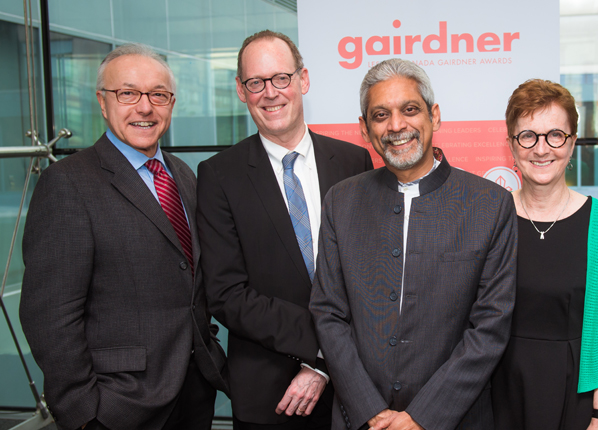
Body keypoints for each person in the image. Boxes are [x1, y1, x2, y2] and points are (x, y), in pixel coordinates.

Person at [19, 43, 228, 430]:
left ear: (171, 103)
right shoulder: (67, 184)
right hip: (118, 405)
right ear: (102, 102)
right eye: (128, 93)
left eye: (158, 95)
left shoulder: (182, 174)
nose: (145, 107)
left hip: (195, 389)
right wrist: (85, 413)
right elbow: (49, 315)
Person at [309, 58, 517, 430]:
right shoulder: (341, 201)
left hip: (456, 418)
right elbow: (328, 313)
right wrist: (369, 410)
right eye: (380, 115)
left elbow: (490, 326)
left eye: (409, 110)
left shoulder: (490, 204)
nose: (396, 126)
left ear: (434, 116)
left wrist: (422, 418)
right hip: (360, 419)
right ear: (364, 128)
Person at [196, 30, 373, 429]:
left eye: (281, 78)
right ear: (242, 91)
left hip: (358, 391)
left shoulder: (353, 162)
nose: (270, 93)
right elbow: (226, 293)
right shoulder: (218, 176)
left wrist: (330, 363)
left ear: (303, 80)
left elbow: (369, 276)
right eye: (256, 83)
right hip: (271, 396)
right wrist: (323, 348)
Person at [490, 79, 598, 430]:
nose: (541, 149)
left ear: (573, 143)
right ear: (511, 144)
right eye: (528, 136)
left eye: (555, 135)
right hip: (494, 397)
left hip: (576, 398)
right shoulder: (487, 219)